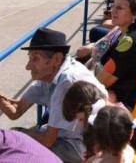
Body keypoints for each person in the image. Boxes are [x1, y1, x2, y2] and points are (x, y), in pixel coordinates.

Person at [0, 28, 107, 162]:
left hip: (84, 146)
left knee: (17, 150)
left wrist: (19, 133)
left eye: (35, 59)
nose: (28, 66)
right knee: (12, 141)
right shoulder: (48, 74)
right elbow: (16, 111)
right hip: (67, 137)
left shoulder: (68, 81)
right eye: (29, 58)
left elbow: (48, 141)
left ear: (56, 59)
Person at [95, 0, 136, 109]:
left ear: (135, 13)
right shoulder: (128, 32)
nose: (113, 11)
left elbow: (100, 82)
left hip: (123, 102)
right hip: (122, 93)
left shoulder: (129, 41)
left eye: (120, 8)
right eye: (113, 6)